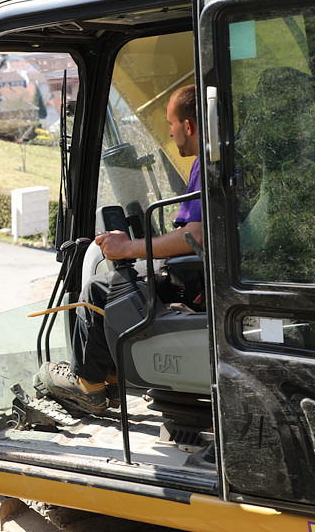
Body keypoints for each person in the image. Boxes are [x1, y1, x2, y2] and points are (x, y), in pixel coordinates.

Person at [35, 84, 202, 414]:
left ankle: (88, 386)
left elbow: (192, 237)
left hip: (195, 277)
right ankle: (110, 377)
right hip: (200, 272)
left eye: (171, 125)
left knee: (100, 287)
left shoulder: (208, 166)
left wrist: (127, 248)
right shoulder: (214, 161)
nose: (170, 133)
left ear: (188, 126)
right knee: (126, 279)